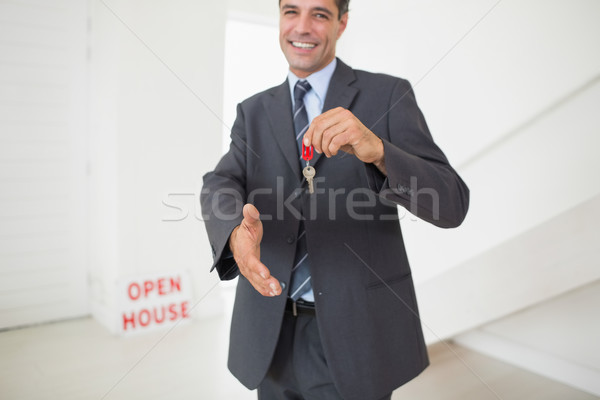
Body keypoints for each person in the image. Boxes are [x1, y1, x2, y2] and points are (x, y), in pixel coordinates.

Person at [201, 0, 470, 399]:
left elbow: (451, 202)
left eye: (320, 14)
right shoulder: (253, 111)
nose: (302, 27)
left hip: (358, 334)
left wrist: (379, 150)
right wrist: (236, 231)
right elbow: (220, 181)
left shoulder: (388, 95)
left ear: (342, 23)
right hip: (270, 335)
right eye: (291, 11)